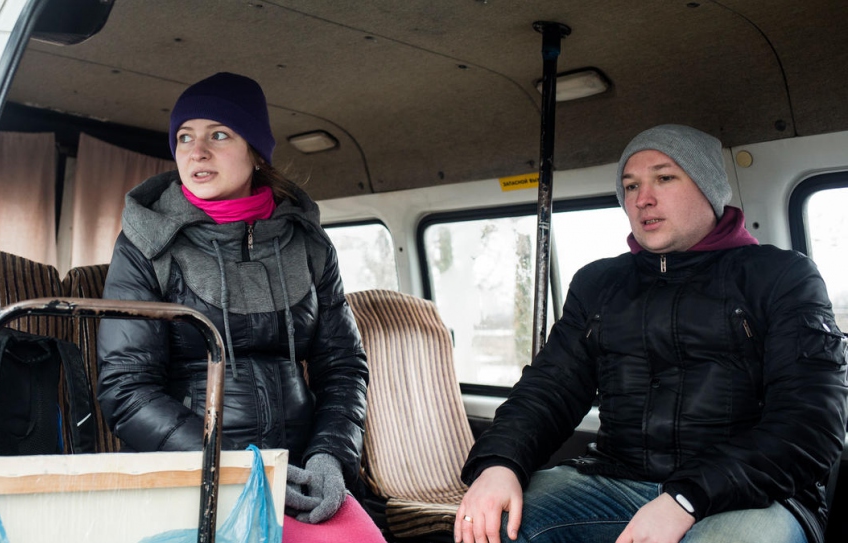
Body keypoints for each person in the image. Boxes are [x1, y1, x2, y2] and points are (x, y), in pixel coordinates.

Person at [454, 124, 848, 543]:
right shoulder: (598, 284)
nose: (643, 199)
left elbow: (811, 425)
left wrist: (686, 498)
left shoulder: (781, 277)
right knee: (489, 526)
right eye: (630, 185)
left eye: (664, 178)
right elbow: (549, 389)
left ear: (709, 188)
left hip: (753, 496)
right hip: (612, 481)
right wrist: (500, 464)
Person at [97, 72, 384, 542]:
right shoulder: (145, 245)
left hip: (301, 474)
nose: (197, 151)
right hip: (192, 472)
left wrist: (330, 457)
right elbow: (127, 390)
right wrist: (235, 467)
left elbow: (344, 366)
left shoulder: (309, 244)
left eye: (220, 134)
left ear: (256, 151)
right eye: (185, 137)